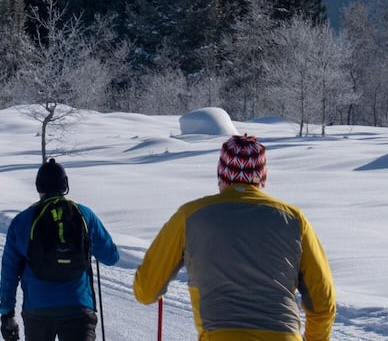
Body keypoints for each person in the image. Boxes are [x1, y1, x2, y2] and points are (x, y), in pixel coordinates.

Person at [133, 134, 336, 341]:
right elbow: (323, 303)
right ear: (261, 177)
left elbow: (146, 290)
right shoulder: (294, 219)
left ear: (222, 174)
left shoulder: (190, 215)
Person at [0, 159, 120, 341]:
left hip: (38, 310)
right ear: (65, 185)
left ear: (39, 186)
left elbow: (9, 272)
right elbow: (112, 257)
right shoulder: (84, 215)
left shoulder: (23, 221)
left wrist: (7, 314)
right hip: (79, 308)